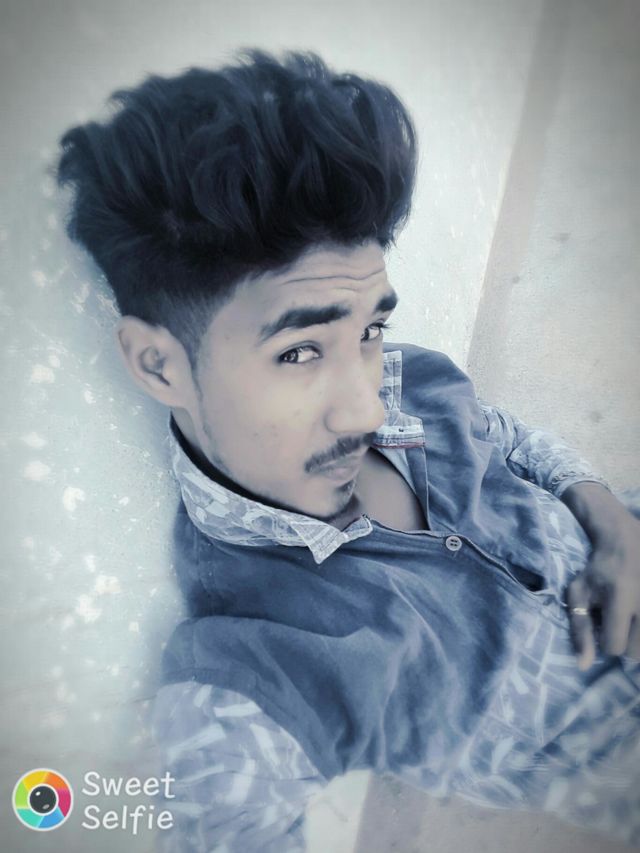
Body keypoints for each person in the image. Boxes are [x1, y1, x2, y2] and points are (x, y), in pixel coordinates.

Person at [55, 49, 640, 851]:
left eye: (369, 329)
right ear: (159, 364)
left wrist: (609, 521)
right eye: (300, 351)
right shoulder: (246, 682)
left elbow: (506, 436)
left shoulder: (407, 377)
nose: (369, 403)